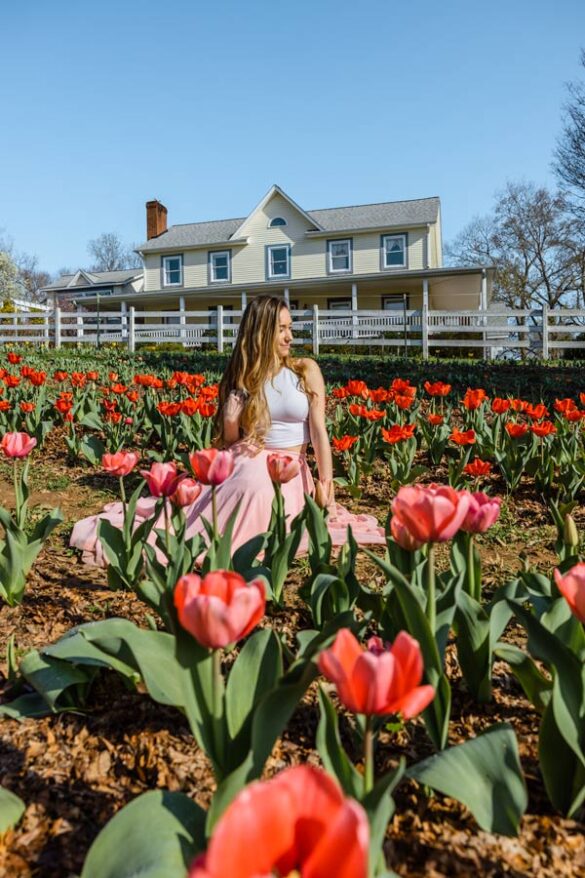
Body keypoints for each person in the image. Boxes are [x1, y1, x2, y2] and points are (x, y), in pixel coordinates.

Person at [70, 295, 384, 566]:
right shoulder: (243, 375)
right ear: (261, 332)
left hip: (288, 467)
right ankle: (203, 543)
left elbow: (318, 433)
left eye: (290, 328)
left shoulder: (305, 370)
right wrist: (232, 420)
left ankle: (227, 545)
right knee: (249, 484)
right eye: (281, 329)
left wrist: (327, 489)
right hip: (246, 455)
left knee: (262, 491)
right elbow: (231, 441)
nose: (290, 336)